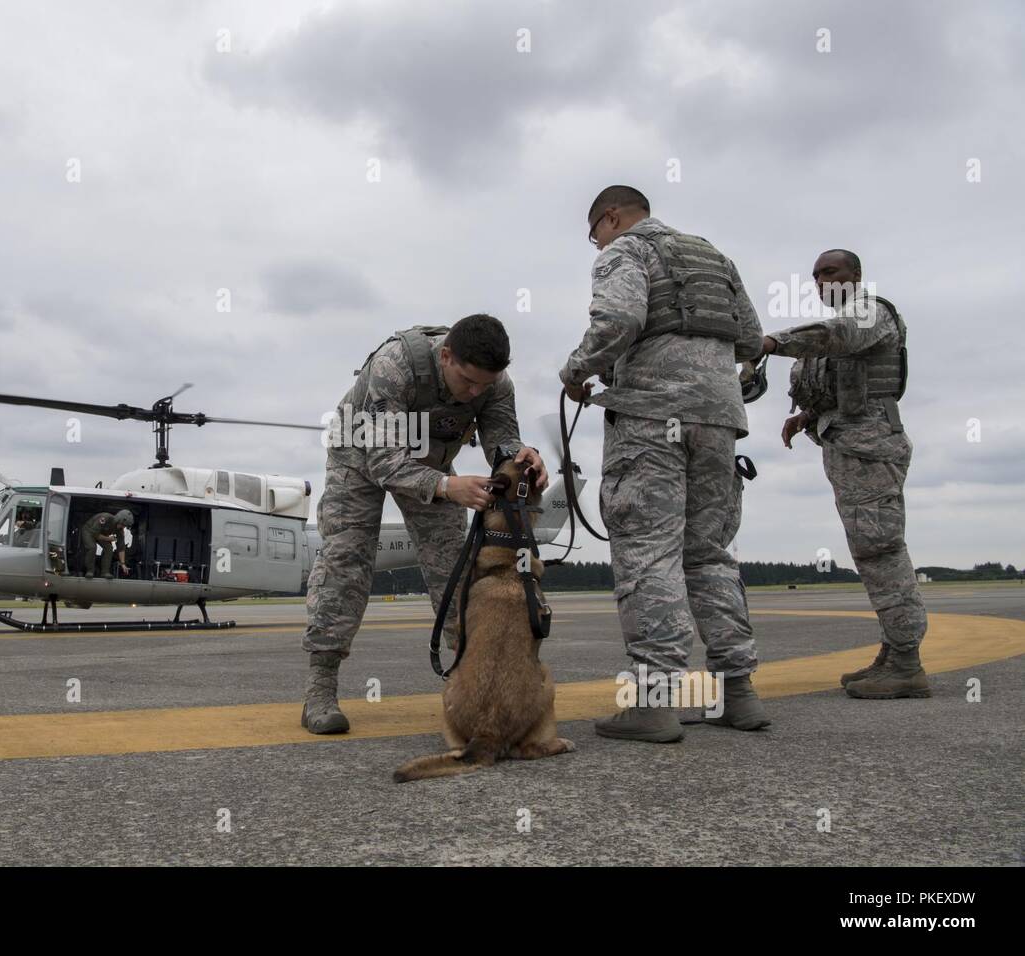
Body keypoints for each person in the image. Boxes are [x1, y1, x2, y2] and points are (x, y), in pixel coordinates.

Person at [560, 185, 768, 742]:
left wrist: (577, 370)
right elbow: (750, 338)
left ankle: (653, 703)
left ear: (611, 217)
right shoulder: (712, 255)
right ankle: (737, 694)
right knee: (708, 554)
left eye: (594, 233)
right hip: (720, 420)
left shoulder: (625, 251)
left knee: (649, 551)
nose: (595, 244)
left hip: (652, 420)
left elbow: (618, 320)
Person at [302, 314, 548, 734]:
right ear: (446, 355)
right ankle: (320, 690)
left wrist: (522, 457)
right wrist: (447, 486)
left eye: (484, 386)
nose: (475, 393)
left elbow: (500, 438)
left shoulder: (494, 384)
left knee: (456, 569)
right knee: (347, 561)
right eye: (468, 381)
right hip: (359, 455)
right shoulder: (394, 366)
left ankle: (476, 685)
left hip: (431, 459)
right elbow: (383, 461)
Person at [761, 249, 928, 698]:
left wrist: (772, 343)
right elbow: (837, 384)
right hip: (848, 449)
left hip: (871, 450)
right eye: (815, 275)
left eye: (830, 271)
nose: (821, 280)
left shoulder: (870, 314)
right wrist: (805, 415)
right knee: (869, 551)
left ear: (856, 274)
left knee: (881, 550)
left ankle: (907, 662)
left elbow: (841, 337)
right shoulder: (834, 328)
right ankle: (895, 653)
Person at [80, 509, 133, 579]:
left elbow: (121, 547)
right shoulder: (105, 518)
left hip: (101, 535)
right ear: (118, 520)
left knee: (109, 548)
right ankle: (90, 571)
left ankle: (105, 572)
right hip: (89, 531)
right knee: (92, 547)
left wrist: (123, 564)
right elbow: (95, 534)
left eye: (124, 526)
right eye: (122, 525)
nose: (123, 527)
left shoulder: (120, 530)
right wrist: (108, 539)